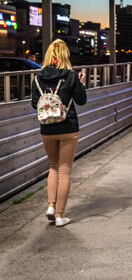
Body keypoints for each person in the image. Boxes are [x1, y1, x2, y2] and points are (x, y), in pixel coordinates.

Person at [31, 39, 87, 227]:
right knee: (65, 171)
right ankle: (60, 216)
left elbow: (34, 104)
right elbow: (81, 100)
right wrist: (81, 84)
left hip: (47, 129)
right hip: (68, 128)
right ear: (65, 56)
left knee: (53, 167)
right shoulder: (70, 76)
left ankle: (51, 205)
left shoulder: (37, 78)